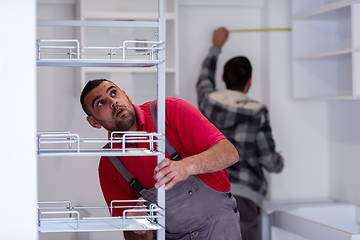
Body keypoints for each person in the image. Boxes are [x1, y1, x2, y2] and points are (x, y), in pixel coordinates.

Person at [80, 79, 242, 240]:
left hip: (222, 231)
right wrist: (140, 227)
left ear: (126, 96)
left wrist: (187, 166)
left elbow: (229, 153)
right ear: (94, 122)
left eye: (113, 93)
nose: (112, 102)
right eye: (100, 103)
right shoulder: (110, 166)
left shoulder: (169, 111)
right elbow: (131, 235)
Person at [196, 27, 284, 240]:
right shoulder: (257, 111)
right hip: (244, 198)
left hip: (210, 192)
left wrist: (216, 46)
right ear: (250, 82)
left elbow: (204, 80)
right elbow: (269, 161)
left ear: (223, 77)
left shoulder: (208, 101)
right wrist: (279, 161)